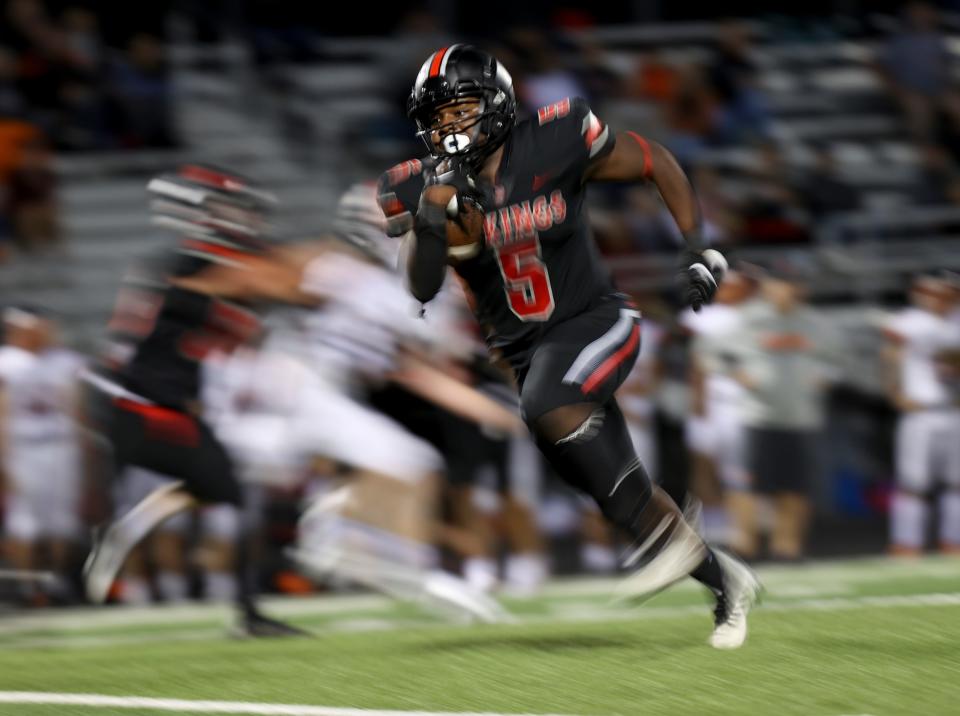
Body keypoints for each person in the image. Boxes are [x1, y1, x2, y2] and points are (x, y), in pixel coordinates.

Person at [378, 45, 759, 648]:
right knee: (622, 498)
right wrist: (429, 219)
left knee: (550, 399)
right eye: (438, 117)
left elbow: (654, 160)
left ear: (498, 104)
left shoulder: (554, 139)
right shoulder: (420, 186)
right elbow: (421, 287)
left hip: (596, 319)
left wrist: (697, 245)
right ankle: (725, 585)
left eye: (462, 108)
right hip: (527, 358)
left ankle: (681, 551)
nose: (449, 127)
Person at [79, 164, 306, 637]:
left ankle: (133, 527)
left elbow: (235, 322)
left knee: (226, 488)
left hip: (153, 406)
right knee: (232, 491)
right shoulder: (189, 268)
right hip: (142, 407)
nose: (239, 219)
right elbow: (251, 288)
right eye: (227, 208)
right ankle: (247, 614)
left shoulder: (185, 268)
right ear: (196, 212)